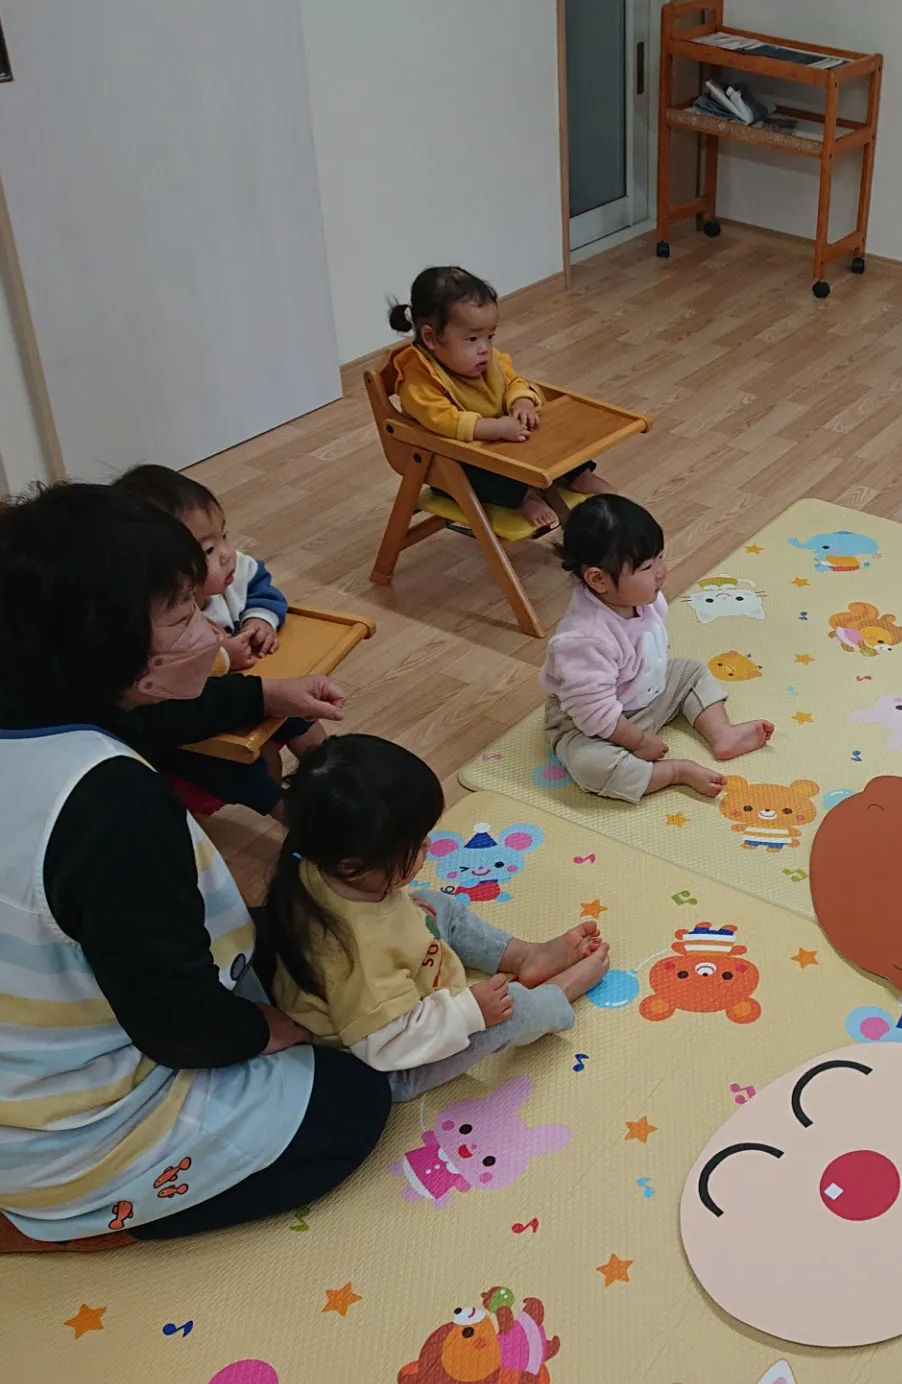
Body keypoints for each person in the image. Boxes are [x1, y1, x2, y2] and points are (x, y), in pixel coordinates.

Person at [0, 482, 386, 1255]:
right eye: (183, 617)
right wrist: (269, 1030)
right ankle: (78, 1221)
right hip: (60, 1142)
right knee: (354, 1101)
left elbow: (154, 714)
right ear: (116, 655)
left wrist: (264, 694)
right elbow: (176, 1025)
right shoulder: (112, 805)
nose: (209, 631)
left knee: (294, 936)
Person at [265, 735, 610, 1100]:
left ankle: (524, 956)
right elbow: (388, 1045)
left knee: (432, 903)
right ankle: (559, 993)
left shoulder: (321, 861)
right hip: (391, 1058)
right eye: (415, 846)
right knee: (513, 1007)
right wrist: (470, 1013)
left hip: (398, 989)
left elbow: (385, 916)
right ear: (353, 866)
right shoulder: (358, 959)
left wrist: (410, 915)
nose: (428, 847)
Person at [112, 463, 325, 817]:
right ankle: (292, 815)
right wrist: (220, 658)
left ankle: (336, 774)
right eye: (208, 549)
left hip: (237, 693)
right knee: (249, 766)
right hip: (188, 729)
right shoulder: (144, 616)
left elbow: (261, 588)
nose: (227, 553)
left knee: (302, 715)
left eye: (224, 536)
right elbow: (158, 699)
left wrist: (260, 619)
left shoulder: (230, 575)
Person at [541, 494, 773, 802]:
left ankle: (722, 732)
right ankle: (675, 772)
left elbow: (652, 638)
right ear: (598, 579)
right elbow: (593, 712)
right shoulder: (584, 639)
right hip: (590, 723)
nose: (661, 571)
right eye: (648, 566)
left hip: (642, 692)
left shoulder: (642, 598)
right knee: (591, 766)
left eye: (661, 557)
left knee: (691, 670)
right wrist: (637, 741)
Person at [388, 265, 613, 532]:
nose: (485, 348)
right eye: (472, 338)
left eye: (490, 336)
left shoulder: (486, 361)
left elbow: (513, 381)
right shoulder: (419, 380)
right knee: (480, 474)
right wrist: (496, 428)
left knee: (552, 434)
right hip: (449, 462)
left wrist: (522, 402)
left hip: (500, 444)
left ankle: (579, 475)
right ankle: (524, 498)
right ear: (431, 337)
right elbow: (444, 421)